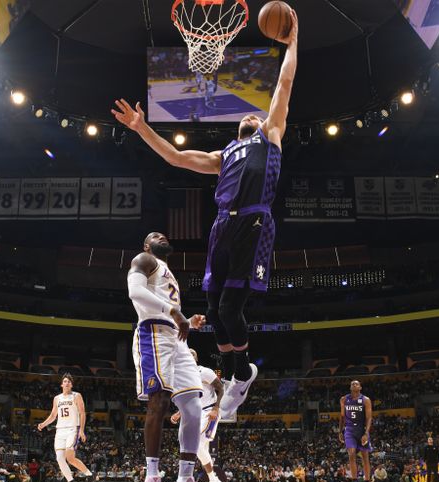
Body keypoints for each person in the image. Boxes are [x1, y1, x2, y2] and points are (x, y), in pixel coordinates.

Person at [112, 10, 299, 422]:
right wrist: (142, 128)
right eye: (245, 118)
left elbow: (283, 83)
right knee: (214, 311)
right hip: (222, 226)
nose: (251, 116)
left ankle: (242, 377)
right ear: (236, 131)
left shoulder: (270, 135)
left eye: (256, 114)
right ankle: (237, 376)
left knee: (231, 309)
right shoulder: (222, 156)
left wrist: (293, 42)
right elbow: (176, 157)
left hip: (253, 221)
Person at [127, 232, 214, 482]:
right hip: (153, 332)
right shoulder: (143, 260)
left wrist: (187, 320)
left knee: (192, 409)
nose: (161, 236)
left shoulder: (169, 272)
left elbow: (170, 310)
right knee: (160, 401)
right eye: (154, 235)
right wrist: (174, 312)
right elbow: (135, 292)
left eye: (163, 235)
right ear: (146, 244)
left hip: (177, 338)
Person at [170, 348, 225, 482]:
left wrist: (216, 408)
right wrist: (180, 412)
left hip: (209, 412)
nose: (189, 355)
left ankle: (214, 481)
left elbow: (221, 388)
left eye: (192, 353)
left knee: (196, 444)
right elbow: (191, 399)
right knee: (197, 449)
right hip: (194, 414)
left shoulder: (204, 372)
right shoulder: (184, 378)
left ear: (196, 358)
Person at [37, 373, 92, 482]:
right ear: (62, 384)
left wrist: (82, 430)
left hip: (73, 429)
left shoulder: (76, 396)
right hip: (60, 430)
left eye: (69, 381)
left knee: (69, 456)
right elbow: (53, 416)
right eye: (65, 381)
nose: (67, 383)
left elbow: (83, 413)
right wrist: (43, 424)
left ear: (71, 385)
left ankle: (89, 474)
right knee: (60, 458)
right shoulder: (57, 398)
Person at [339, 380, 373, 482]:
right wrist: (340, 431)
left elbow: (369, 418)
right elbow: (342, 417)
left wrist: (366, 433)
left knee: (365, 457)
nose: (354, 384)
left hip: (361, 429)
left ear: (360, 387)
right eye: (352, 383)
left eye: (357, 383)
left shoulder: (366, 400)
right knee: (351, 454)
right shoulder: (344, 399)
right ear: (350, 387)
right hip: (349, 430)